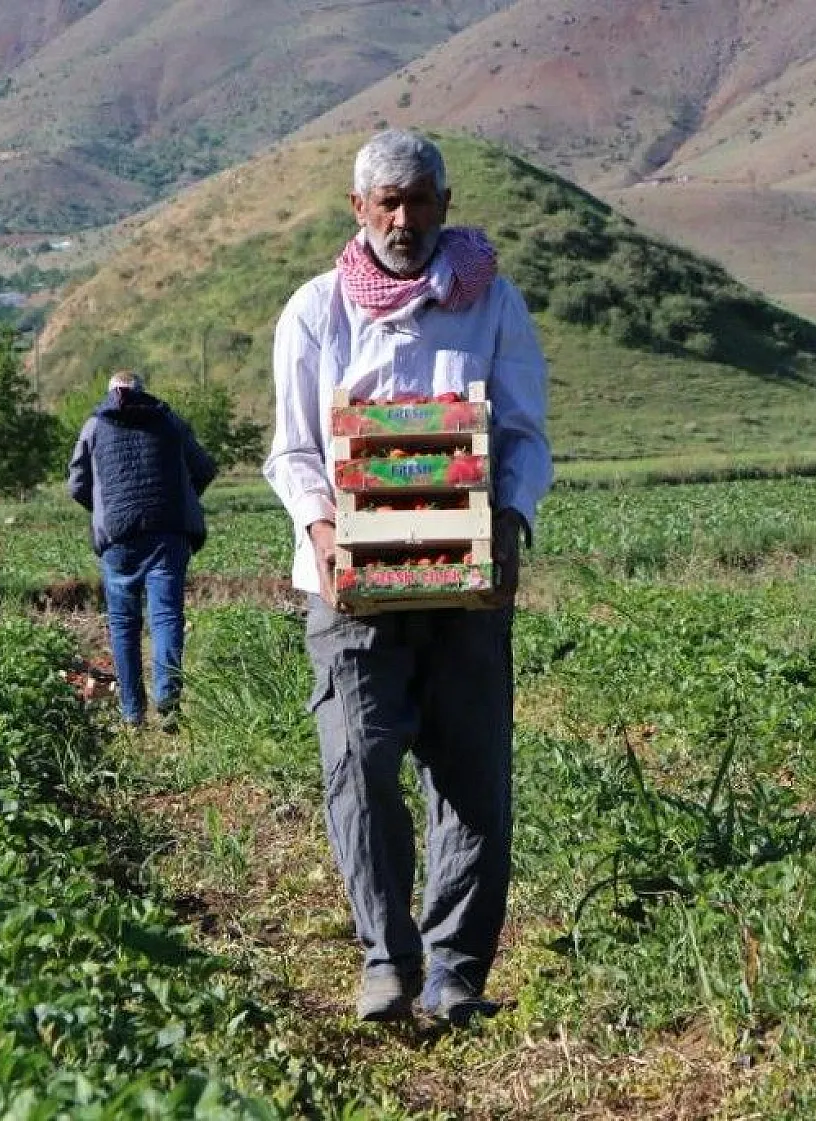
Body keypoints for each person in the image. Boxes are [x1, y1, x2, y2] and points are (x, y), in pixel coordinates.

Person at [263, 130, 552, 1024]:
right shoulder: (315, 311)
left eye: (418, 198)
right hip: (350, 594)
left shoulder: (490, 303)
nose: (403, 216)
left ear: (443, 202)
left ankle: (456, 973)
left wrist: (505, 524)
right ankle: (387, 957)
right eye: (386, 200)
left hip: (465, 592)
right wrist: (326, 534)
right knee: (359, 764)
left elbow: (522, 438)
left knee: (472, 779)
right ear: (358, 210)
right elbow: (296, 451)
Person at [68, 370, 218, 729]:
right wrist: (180, 497)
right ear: (142, 391)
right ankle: (168, 701)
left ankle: (132, 713)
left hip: (119, 539)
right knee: (166, 617)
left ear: (110, 393)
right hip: (168, 534)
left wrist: (105, 507)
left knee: (123, 624)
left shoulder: (94, 427)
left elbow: (77, 484)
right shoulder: (169, 422)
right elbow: (205, 469)